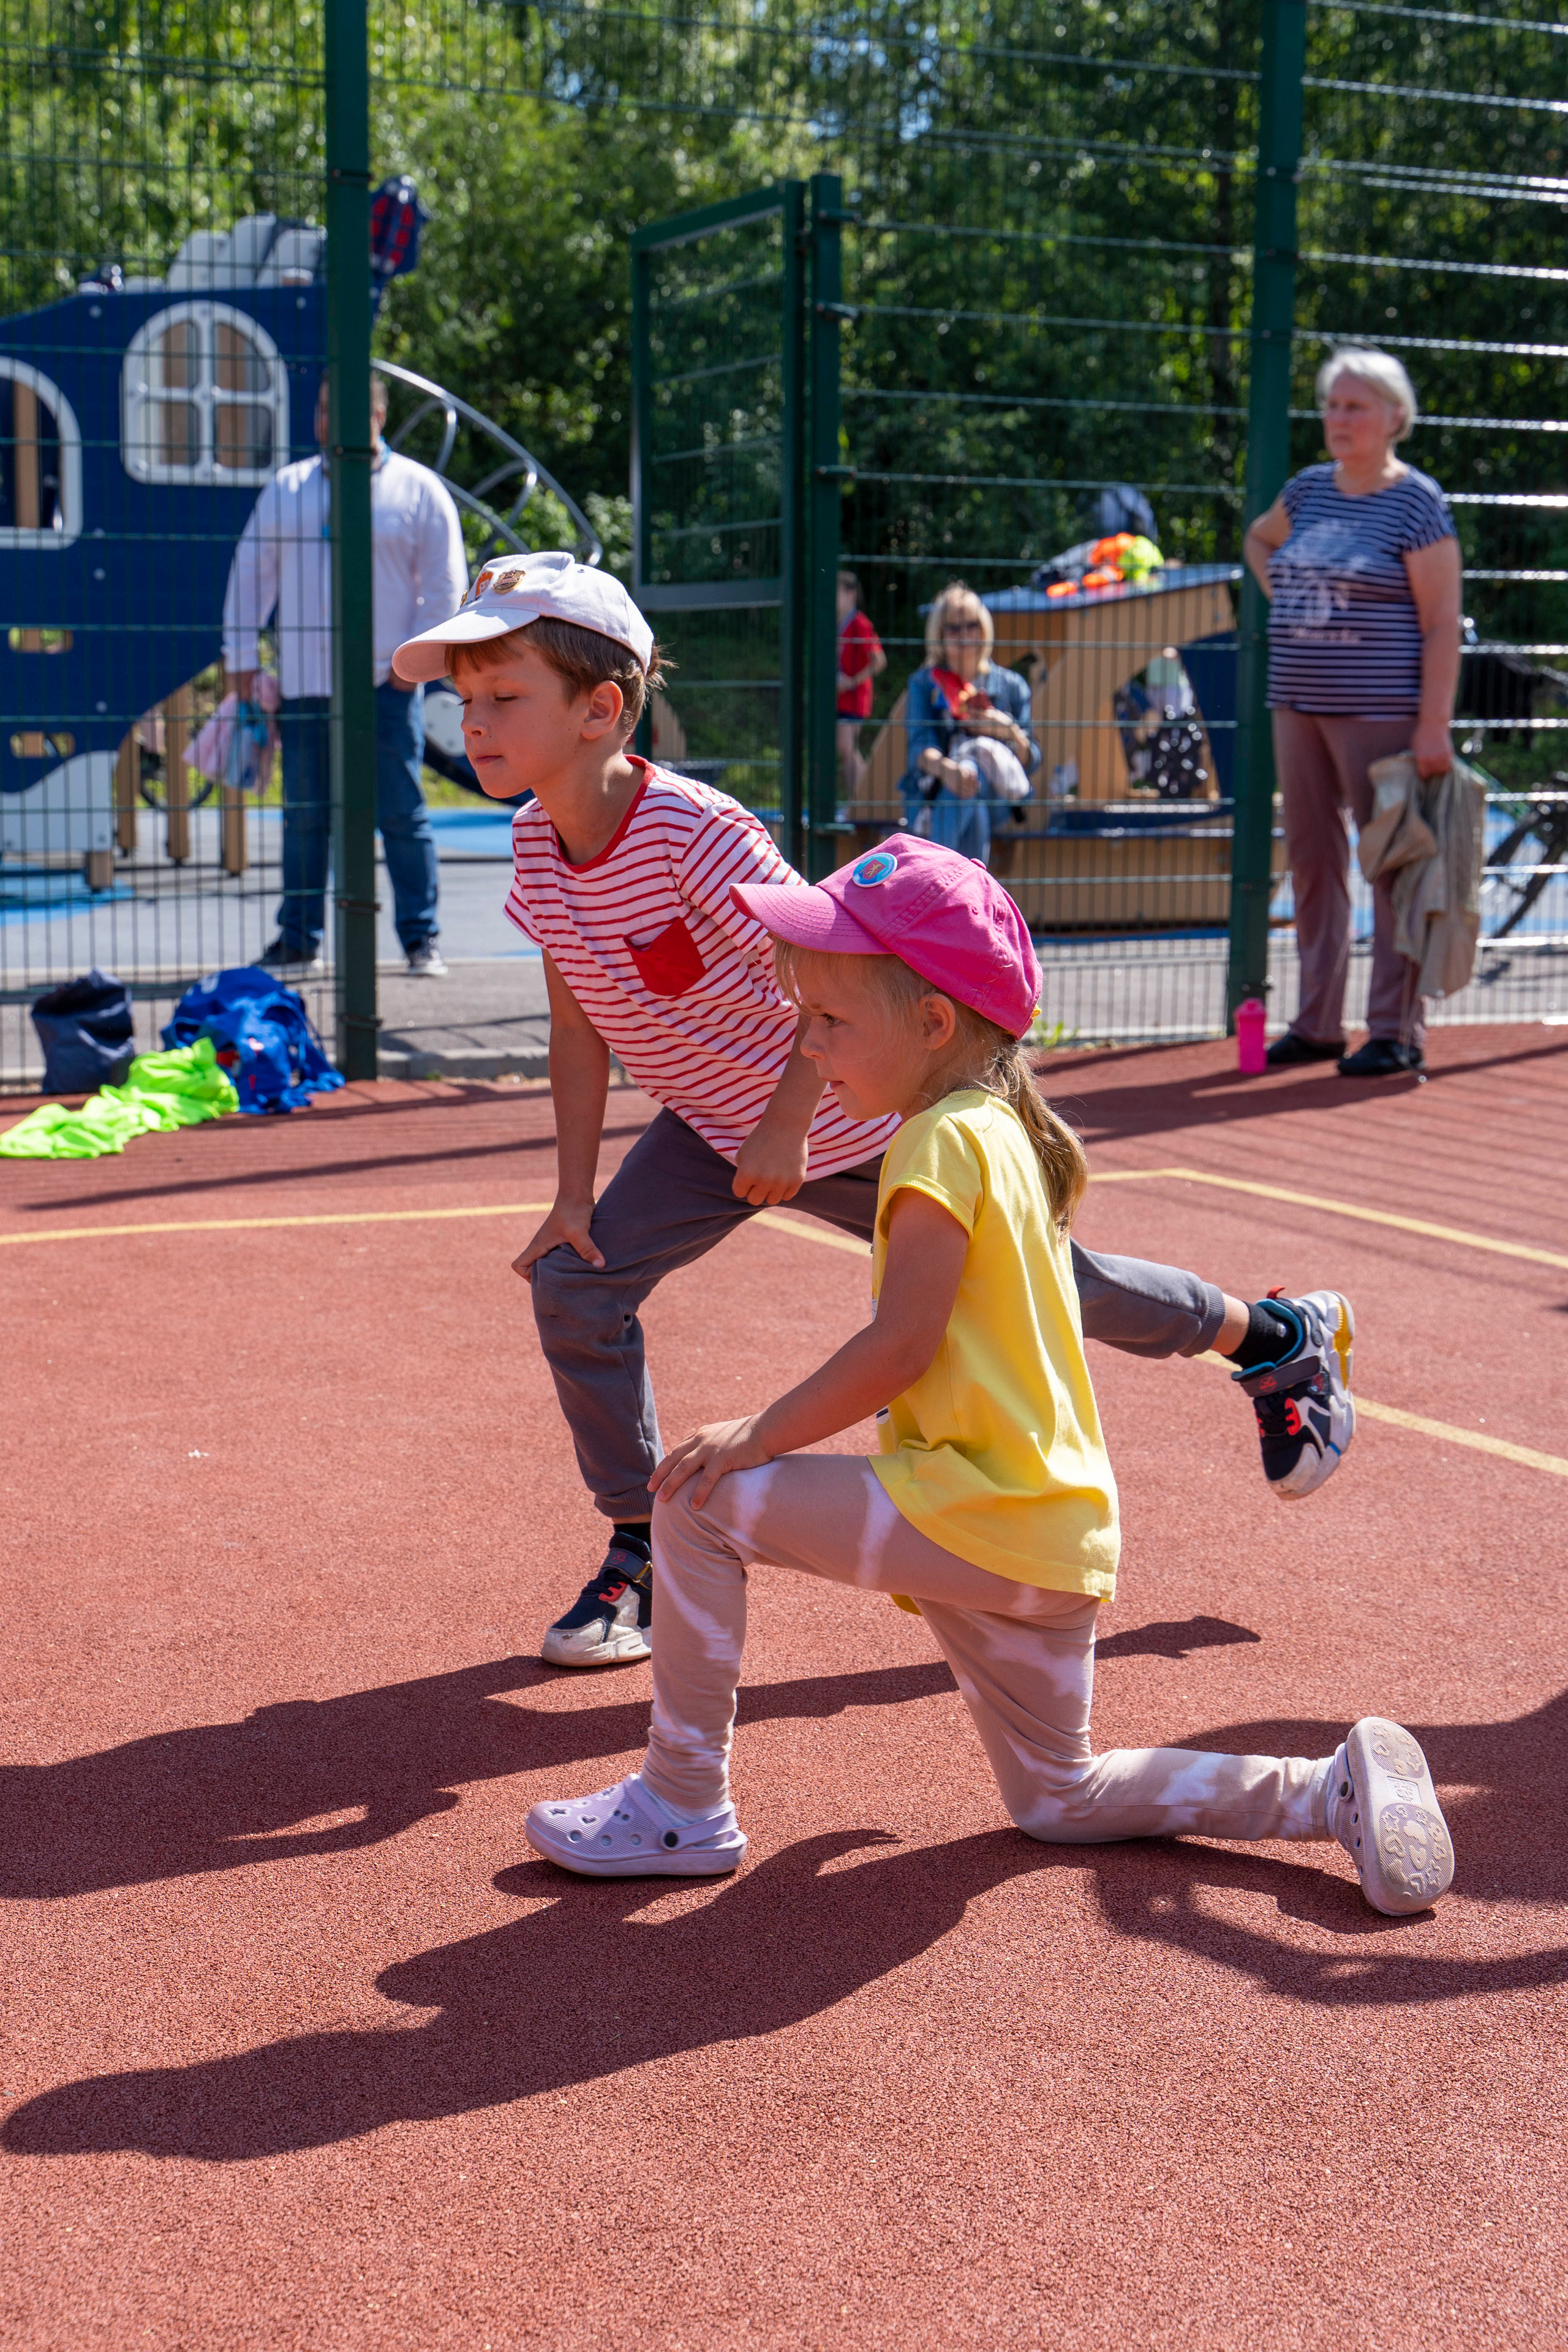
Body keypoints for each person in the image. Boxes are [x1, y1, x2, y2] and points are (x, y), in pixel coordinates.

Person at [391, 554, 1355, 1675]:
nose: (476, 722)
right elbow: (578, 1028)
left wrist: (791, 1121)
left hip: (854, 1112)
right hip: (711, 1127)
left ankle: (1274, 1340)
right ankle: (643, 1541)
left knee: (1053, 1289)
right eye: (467, 700)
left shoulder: (697, 834)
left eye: (505, 697)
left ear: (601, 711)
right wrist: (570, 1194)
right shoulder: (534, 849)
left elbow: (832, 978)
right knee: (576, 1280)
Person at [521, 837, 1453, 1926]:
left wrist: (757, 1434)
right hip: (1050, 1534)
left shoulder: (930, 1143)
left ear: (933, 1024)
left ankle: (679, 1807)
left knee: (694, 1497)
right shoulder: (999, 1131)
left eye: (830, 1022)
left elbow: (899, 1347)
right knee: (1062, 1797)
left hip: (976, 1512)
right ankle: (1325, 1790)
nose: (808, 1048)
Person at [1244, 348, 1463, 1077]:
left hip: (1383, 713)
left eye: (1354, 407)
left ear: (1394, 418)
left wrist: (1433, 723)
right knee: (1311, 861)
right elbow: (1259, 537)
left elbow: (1440, 622)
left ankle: (1396, 1030)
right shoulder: (1308, 490)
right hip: (1296, 706)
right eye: (1332, 406)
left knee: (1391, 865)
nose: (1338, 420)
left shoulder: (1415, 502)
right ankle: (1316, 1024)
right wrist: (1296, 600)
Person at [223, 370, 469, 978]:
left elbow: (444, 584)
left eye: (348, 409)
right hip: (307, 682)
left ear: (379, 416)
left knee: (402, 814)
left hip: (386, 686)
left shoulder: (418, 489)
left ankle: (421, 941)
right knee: (305, 815)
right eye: (326, 409)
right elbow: (250, 573)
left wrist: (414, 668)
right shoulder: (289, 488)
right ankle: (299, 941)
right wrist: (242, 657)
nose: (331, 421)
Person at [899, 581, 1038, 865]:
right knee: (970, 794)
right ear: (940, 634)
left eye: (972, 625)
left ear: (984, 628)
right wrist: (948, 769)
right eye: (953, 628)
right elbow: (919, 747)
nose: (964, 635)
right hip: (934, 789)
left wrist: (1005, 730)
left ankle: (933, 878)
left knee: (973, 773)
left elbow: (1031, 759)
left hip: (1000, 794)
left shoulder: (1011, 686)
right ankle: (970, 898)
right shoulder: (925, 683)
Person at [836, 569, 886, 802]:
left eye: (836, 592)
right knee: (846, 751)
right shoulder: (840, 624)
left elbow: (879, 661)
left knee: (847, 748)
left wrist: (851, 682)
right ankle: (858, 801)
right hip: (841, 699)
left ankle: (868, 801)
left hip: (855, 699)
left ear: (851, 595)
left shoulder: (860, 624)